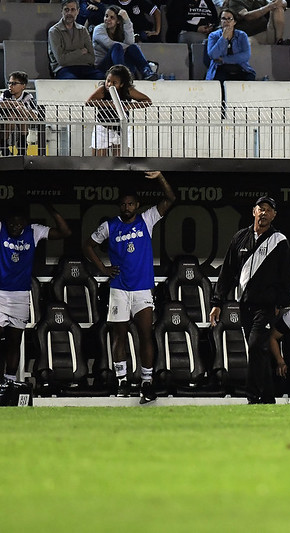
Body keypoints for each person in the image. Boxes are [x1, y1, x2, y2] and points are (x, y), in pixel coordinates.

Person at [83, 171, 175, 404]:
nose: (127, 207)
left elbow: (170, 199)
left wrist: (160, 177)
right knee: (119, 336)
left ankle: (146, 381)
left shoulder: (147, 219)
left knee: (145, 335)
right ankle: (122, 381)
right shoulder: (109, 226)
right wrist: (103, 270)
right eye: (123, 204)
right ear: (119, 206)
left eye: (131, 204)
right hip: (119, 289)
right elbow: (88, 246)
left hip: (143, 288)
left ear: (137, 205)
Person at [210, 195, 290, 404]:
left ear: (274, 215)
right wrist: (217, 303)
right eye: (260, 209)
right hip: (244, 305)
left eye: (268, 209)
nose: (264, 213)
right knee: (259, 351)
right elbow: (227, 272)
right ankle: (268, 398)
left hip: (266, 306)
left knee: (256, 346)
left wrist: (280, 304)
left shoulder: (279, 240)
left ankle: (253, 396)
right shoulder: (239, 238)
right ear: (253, 212)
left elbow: (286, 275)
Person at [1, 204, 71, 384]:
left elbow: (65, 232)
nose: (15, 228)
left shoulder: (34, 231)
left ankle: (9, 381)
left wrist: (52, 210)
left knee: (14, 341)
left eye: (19, 224)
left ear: (25, 223)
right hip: (0, 293)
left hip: (21, 295)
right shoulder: (1, 228)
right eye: (11, 224)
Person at [86, 64, 152, 157]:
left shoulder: (128, 91)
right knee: (99, 162)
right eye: (108, 81)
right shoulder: (103, 90)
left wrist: (128, 106)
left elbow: (147, 101)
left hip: (122, 127)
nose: (109, 84)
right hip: (103, 127)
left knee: (120, 162)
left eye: (114, 82)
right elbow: (89, 102)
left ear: (122, 84)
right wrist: (111, 104)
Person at [93, 6, 159, 80]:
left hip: (120, 65)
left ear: (118, 21)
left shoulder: (120, 30)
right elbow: (109, 44)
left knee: (132, 48)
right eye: (106, 16)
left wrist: (127, 20)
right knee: (117, 46)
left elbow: (130, 42)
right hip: (103, 67)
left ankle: (147, 71)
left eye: (112, 17)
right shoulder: (98, 29)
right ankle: (122, 75)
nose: (107, 19)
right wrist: (132, 47)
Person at [48, 0, 105, 80]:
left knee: (101, 78)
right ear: (62, 11)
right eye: (66, 10)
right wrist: (81, 52)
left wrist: (69, 55)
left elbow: (91, 58)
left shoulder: (83, 30)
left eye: (73, 10)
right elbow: (61, 60)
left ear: (78, 11)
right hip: (63, 69)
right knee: (72, 81)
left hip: (85, 67)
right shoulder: (54, 31)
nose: (69, 13)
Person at [206, 9, 257, 82]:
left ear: (234, 22)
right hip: (220, 68)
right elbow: (213, 55)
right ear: (220, 21)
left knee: (249, 78)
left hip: (240, 67)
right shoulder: (213, 36)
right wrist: (223, 38)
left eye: (229, 19)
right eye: (223, 18)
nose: (226, 21)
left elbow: (246, 55)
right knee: (220, 78)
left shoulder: (242, 35)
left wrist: (224, 59)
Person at [1, 72, 38, 157]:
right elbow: (1, 104)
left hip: (21, 120)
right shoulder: (6, 94)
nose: (10, 86)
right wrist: (14, 104)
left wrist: (22, 108)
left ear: (23, 86)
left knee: (21, 112)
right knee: (13, 115)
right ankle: (4, 144)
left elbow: (35, 115)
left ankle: (22, 142)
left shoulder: (27, 96)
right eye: (9, 83)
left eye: (14, 83)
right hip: (6, 121)